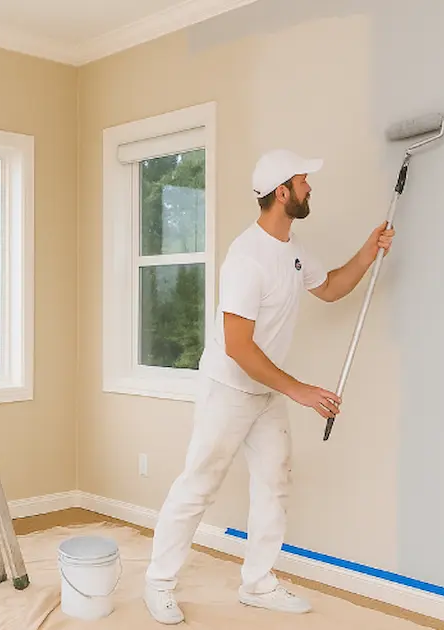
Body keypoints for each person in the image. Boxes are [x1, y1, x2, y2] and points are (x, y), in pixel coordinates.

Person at [142, 148, 396, 624]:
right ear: (282, 193)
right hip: (229, 389)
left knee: (275, 483)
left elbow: (333, 287)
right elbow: (238, 346)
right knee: (198, 485)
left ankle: (257, 584)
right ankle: (158, 583)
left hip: (264, 389)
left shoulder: (293, 251)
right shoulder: (246, 258)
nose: (309, 188)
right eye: (303, 182)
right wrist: (299, 390)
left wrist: (368, 251)